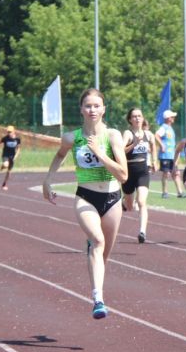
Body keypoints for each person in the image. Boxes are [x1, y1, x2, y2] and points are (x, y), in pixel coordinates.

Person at [42, 89, 128, 319]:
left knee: (103, 255)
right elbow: (60, 155)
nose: (92, 110)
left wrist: (100, 153)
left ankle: (95, 270)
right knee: (97, 241)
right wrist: (48, 180)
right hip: (85, 197)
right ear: (81, 109)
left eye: (97, 106)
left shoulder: (112, 136)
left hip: (112, 198)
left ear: (103, 109)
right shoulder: (72, 138)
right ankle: (98, 299)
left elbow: (123, 175)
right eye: (88, 106)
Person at [122, 108, 157, 243]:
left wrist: (154, 161)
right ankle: (124, 203)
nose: (137, 118)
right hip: (128, 171)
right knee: (130, 207)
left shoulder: (148, 134)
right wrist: (134, 144)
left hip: (143, 171)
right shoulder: (128, 134)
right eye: (134, 116)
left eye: (139, 116)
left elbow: (153, 146)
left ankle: (142, 232)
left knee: (142, 201)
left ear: (143, 118)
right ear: (130, 119)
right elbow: (120, 150)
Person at [154, 109, 186, 199]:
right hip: (165, 156)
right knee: (166, 173)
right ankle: (164, 192)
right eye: (172, 117)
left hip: (172, 155)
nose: (173, 118)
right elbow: (156, 135)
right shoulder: (163, 127)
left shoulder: (170, 128)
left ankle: (180, 192)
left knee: (176, 173)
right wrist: (161, 145)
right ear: (168, 118)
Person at [0, 125, 21, 191]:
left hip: (12, 156)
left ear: (13, 131)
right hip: (5, 155)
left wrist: (16, 156)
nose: (9, 133)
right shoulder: (5, 138)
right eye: (8, 132)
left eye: (10, 132)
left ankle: (4, 184)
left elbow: (18, 148)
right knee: (6, 164)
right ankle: (3, 165)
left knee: (9, 172)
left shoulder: (17, 139)